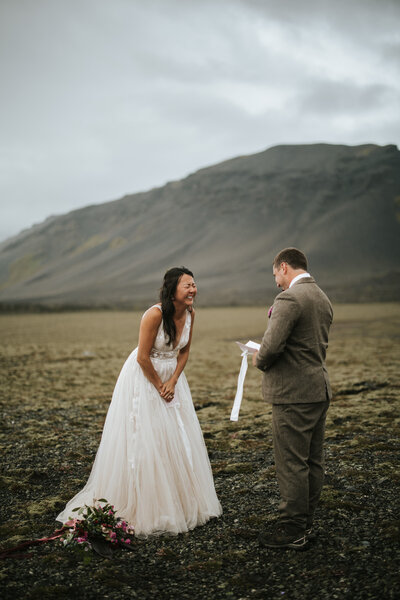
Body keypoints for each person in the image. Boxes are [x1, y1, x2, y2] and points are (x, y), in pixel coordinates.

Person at [56, 267, 222, 536]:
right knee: (148, 437)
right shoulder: (154, 314)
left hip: (171, 379)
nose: (193, 290)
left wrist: (174, 382)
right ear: (172, 290)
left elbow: (185, 351)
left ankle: (180, 500)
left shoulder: (191, 313)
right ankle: (146, 503)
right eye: (187, 286)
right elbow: (143, 357)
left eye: (194, 285)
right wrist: (159, 385)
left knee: (176, 436)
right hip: (144, 379)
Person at [252, 248, 333, 550]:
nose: (276, 282)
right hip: (318, 390)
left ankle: (292, 529)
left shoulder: (289, 298)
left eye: (275, 275)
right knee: (313, 460)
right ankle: (306, 522)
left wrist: (257, 357)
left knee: (292, 463)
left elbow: (271, 348)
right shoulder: (322, 297)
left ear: (284, 267)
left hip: (293, 395)